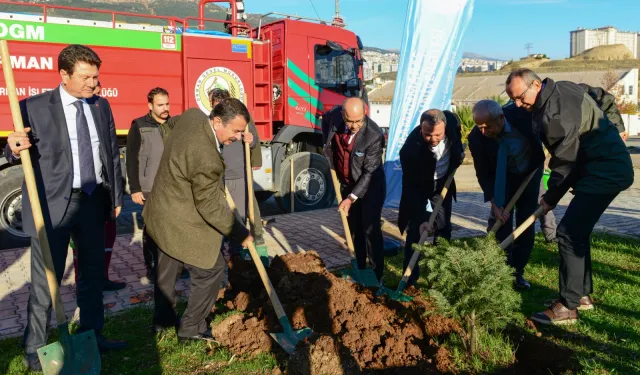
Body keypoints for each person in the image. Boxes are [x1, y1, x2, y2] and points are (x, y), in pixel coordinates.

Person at [5, 44, 127, 371]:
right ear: (64, 74)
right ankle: (34, 348)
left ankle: (92, 333)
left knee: (91, 273)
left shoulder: (101, 106)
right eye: (85, 77)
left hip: (93, 202)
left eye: (96, 76)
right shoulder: (33, 107)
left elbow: (112, 155)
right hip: (52, 205)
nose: (92, 83)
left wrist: (116, 198)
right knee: (47, 280)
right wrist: (12, 148)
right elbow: (14, 149)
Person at [506, 68, 634, 325]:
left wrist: (550, 198)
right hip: (599, 166)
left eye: (521, 98)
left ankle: (567, 306)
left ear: (536, 86)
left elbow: (564, 163)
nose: (519, 104)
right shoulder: (562, 86)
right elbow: (597, 94)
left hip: (604, 169)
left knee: (568, 232)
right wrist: (615, 126)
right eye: (513, 99)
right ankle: (581, 296)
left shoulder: (555, 115)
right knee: (577, 232)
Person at [143, 99, 252, 341]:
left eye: (242, 131)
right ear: (216, 122)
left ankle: (163, 321)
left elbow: (169, 125)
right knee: (212, 269)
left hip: (161, 207)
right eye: (235, 131)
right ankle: (192, 328)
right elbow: (210, 207)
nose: (238, 137)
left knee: (168, 267)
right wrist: (241, 232)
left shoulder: (192, 117)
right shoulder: (206, 158)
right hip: (177, 214)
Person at [468, 100, 545, 289]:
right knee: (500, 223)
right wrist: (494, 202)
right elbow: (483, 173)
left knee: (525, 225)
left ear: (501, 118)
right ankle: (500, 271)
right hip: (502, 179)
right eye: (479, 127)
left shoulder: (523, 116)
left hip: (529, 174)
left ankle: (517, 272)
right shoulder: (476, 138)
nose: (483, 131)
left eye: (487, 126)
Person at [126, 87, 188, 283]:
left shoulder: (175, 124)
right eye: (160, 105)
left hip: (174, 186)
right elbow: (131, 159)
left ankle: (176, 266)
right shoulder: (139, 125)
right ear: (150, 105)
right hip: (150, 186)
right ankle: (152, 268)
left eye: (167, 104)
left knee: (175, 227)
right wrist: (135, 188)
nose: (165, 108)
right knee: (153, 229)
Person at [321, 97, 386, 282]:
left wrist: (350, 198)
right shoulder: (335, 116)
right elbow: (324, 121)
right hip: (347, 183)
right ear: (343, 115)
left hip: (371, 185)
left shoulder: (374, 135)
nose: (355, 125)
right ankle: (360, 268)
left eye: (359, 121)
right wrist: (327, 146)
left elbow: (368, 173)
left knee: (370, 229)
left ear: (364, 115)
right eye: (350, 121)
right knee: (355, 229)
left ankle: (376, 274)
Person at [397, 109, 464, 286]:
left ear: (445, 128)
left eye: (438, 135)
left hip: (443, 182)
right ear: (421, 129)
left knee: (443, 228)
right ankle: (410, 279)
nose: (433, 139)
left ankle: (439, 276)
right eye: (428, 135)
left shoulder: (452, 122)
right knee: (415, 231)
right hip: (419, 185)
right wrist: (420, 219)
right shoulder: (410, 151)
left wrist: (459, 155)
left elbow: (457, 141)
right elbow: (410, 187)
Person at [208, 89, 265, 249]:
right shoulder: (211, 121)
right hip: (220, 175)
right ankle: (221, 244)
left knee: (243, 211)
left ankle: (247, 243)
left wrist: (250, 140)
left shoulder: (241, 118)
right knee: (221, 211)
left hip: (239, 171)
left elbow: (254, 139)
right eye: (215, 105)